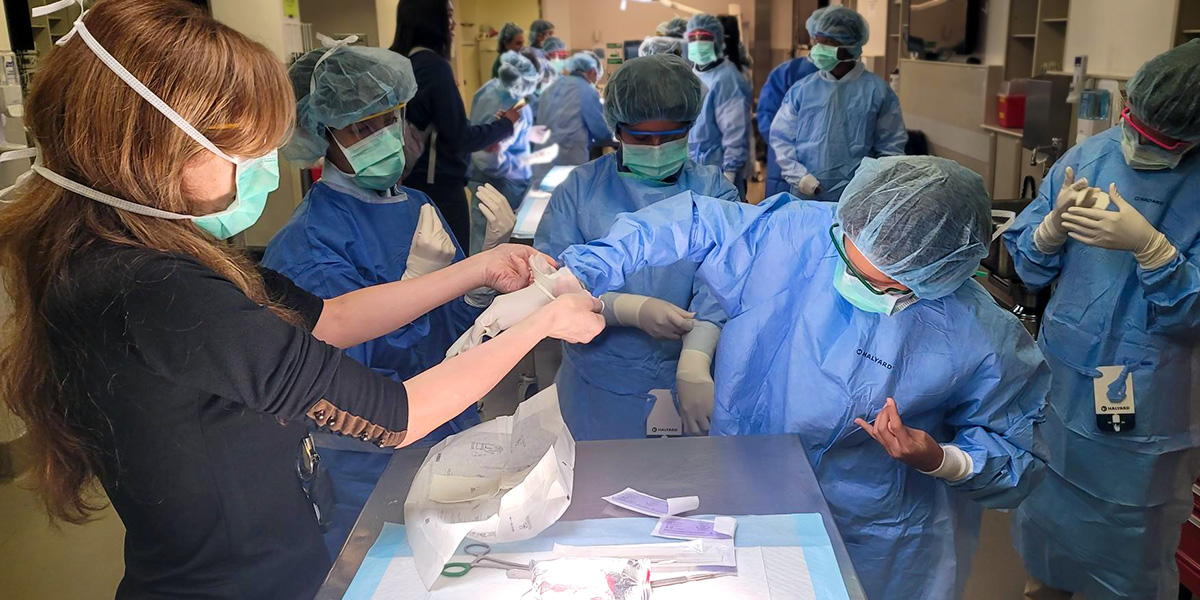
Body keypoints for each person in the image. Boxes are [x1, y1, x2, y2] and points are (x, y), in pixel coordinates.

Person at [0, 1, 604, 598]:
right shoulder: (155, 289)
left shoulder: (153, 253)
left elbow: (329, 317)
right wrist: (542, 321)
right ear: (156, 147)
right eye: (245, 147)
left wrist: (472, 268)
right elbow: (393, 415)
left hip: (269, 558)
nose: (266, 163)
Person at [549, 155, 1049, 600]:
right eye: (848, 262)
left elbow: (1017, 454)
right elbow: (692, 219)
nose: (855, 284)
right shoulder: (795, 235)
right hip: (752, 478)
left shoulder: (981, 333)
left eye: (882, 285)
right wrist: (584, 272)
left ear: (939, 277)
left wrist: (942, 458)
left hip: (880, 523)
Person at [263, 42, 518, 554]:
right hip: (368, 454)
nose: (384, 138)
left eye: (389, 120)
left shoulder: (416, 204)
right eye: (361, 129)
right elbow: (348, 370)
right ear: (321, 132)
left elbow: (450, 341)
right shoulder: (309, 242)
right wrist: (414, 290)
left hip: (449, 427)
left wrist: (476, 292)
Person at [1005, 40, 1200, 600]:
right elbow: (1027, 265)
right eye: (1134, 124)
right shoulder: (1087, 159)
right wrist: (1046, 235)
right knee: (1048, 517)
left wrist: (1156, 252)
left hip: (1150, 395)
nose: (1138, 144)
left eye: (1161, 139)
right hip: (1063, 379)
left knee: (1129, 537)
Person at [535, 54, 739, 440]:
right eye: (642, 138)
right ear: (616, 129)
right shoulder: (579, 191)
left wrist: (695, 358)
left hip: (687, 379)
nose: (657, 147)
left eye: (672, 136)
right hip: (597, 384)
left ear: (691, 127)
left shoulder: (714, 191)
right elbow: (551, 283)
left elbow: (724, 281)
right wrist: (624, 308)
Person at [392, 0, 519, 248]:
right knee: (451, 262)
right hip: (440, 189)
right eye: (448, 16)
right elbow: (460, 136)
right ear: (431, 19)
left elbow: (442, 127)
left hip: (413, 182)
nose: (453, 24)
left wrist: (487, 136)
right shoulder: (434, 67)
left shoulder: (403, 61)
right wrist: (505, 125)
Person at [770, 6, 906, 202]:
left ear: (849, 46)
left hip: (858, 198)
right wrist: (800, 178)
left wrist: (870, 187)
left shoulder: (878, 92)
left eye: (828, 42)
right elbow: (781, 137)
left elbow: (890, 149)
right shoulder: (803, 90)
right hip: (806, 196)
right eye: (818, 42)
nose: (819, 49)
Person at [468, 51, 542, 255]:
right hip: (497, 184)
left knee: (504, 249)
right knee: (488, 249)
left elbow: (510, 133)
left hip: (508, 184)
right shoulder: (495, 99)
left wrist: (528, 134)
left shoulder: (511, 95)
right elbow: (485, 153)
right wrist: (512, 169)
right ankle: (481, 288)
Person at [757, 8, 822, 197]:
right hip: (785, 169)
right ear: (811, 38)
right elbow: (768, 121)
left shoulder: (855, 86)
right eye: (820, 38)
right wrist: (793, 161)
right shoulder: (786, 74)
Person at [685, 14, 752, 197]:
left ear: (717, 41)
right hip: (693, 170)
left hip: (720, 170)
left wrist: (729, 174)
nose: (698, 43)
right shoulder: (691, 75)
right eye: (693, 38)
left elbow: (735, 131)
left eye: (704, 38)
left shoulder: (726, 77)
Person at [535, 51, 611, 171]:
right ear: (591, 71)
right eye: (597, 76)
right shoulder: (586, 90)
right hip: (569, 158)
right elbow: (601, 133)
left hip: (544, 157)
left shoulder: (552, 87)